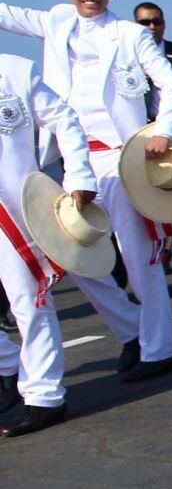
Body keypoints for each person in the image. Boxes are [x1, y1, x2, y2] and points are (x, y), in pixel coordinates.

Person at [0, 0, 172, 383]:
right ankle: (129, 329)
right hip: (71, 162)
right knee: (72, 254)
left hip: (122, 157)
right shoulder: (56, 23)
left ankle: (160, 349)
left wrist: (165, 131)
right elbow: (6, 14)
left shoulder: (131, 35)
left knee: (140, 258)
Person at [0, 49, 100, 436]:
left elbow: (64, 119)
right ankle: (8, 366)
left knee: (29, 300)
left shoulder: (15, 71)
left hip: (12, 207)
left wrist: (78, 177)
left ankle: (43, 396)